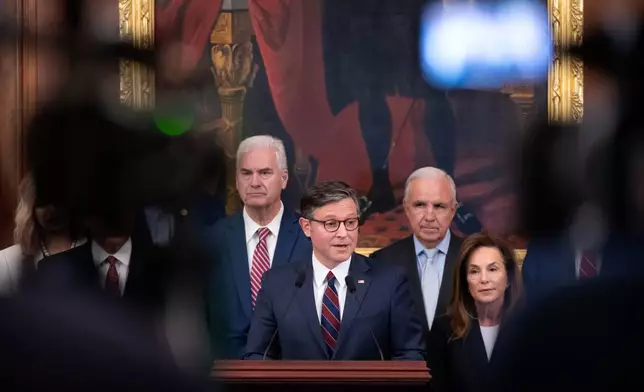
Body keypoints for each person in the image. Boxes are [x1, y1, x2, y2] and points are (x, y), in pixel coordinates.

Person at [244, 181, 424, 360]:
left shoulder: (390, 281)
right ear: (307, 227)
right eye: (331, 224)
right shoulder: (277, 285)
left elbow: (410, 354)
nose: (343, 233)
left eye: (350, 222)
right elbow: (258, 355)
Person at [204, 135, 312, 359]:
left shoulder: (309, 238)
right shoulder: (212, 240)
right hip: (225, 375)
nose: (254, 182)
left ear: (284, 179)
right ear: (236, 180)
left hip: (293, 375)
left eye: (264, 173)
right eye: (246, 173)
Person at [370, 167, 463, 338]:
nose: (429, 216)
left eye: (439, 206)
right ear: (406, 208)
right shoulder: (382, 261)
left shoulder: (473, 257)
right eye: (420, 205)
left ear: (453, 210)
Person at [427, 232, 523, 392]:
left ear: (508, 276)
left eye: (492, 269)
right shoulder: (443, 330)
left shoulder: (532, 328)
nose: (484, 279)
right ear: (465, 281)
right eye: (474, 271)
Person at [0, 174, 85, 295]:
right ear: (30, 208)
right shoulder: (7, 263)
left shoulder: (97, 253)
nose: (52, 209)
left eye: (58, 200)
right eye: (44, 202)